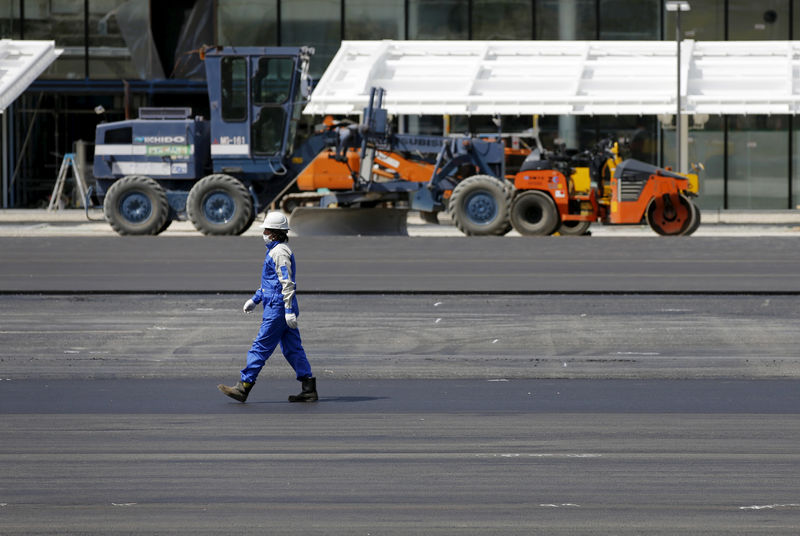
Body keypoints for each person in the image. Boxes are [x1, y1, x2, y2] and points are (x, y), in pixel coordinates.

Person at [217, 211, 318, 403]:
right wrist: (255, 299)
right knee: (293, 349)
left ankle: (243, 387)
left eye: (266, 230)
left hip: (278, 309)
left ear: (274, 233)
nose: (263, 233)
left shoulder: (279, 253)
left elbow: (286, 283)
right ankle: (308, 388)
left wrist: (288, 311)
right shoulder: (275, 250)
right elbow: (270, 283)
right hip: (278, 306)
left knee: (260, 347)